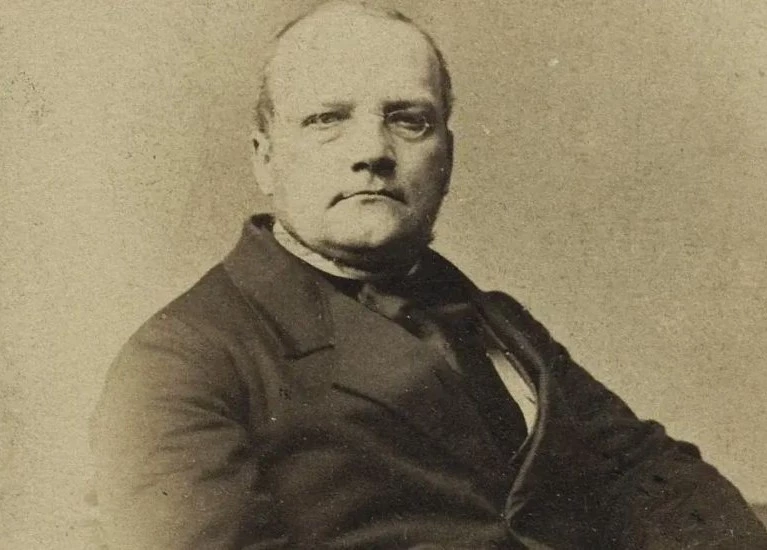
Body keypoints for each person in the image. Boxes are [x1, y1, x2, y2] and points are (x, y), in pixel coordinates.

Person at [90, 2, 767, 548]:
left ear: (446, 155)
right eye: (327, 120)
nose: (372, 152)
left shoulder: (496, 321)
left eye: (408, 121)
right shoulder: (184, 360)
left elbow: (646, 471)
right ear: (265, 158)